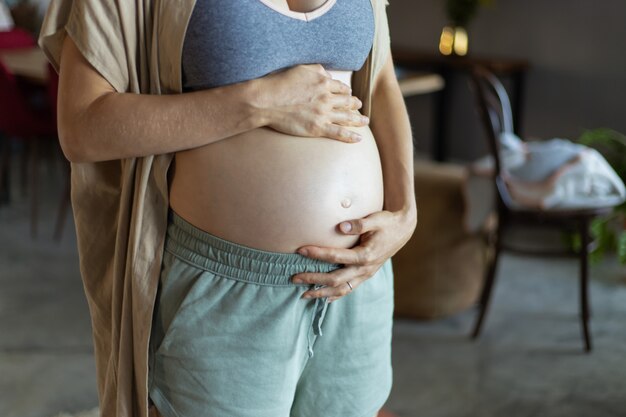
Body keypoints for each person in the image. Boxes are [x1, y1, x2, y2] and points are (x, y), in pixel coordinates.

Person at [39, 0, 416, 416]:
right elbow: (83, 127)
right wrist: (258, 103)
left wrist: (405, 212)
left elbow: (380, 77)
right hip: (226, 289)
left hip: (356, 281)